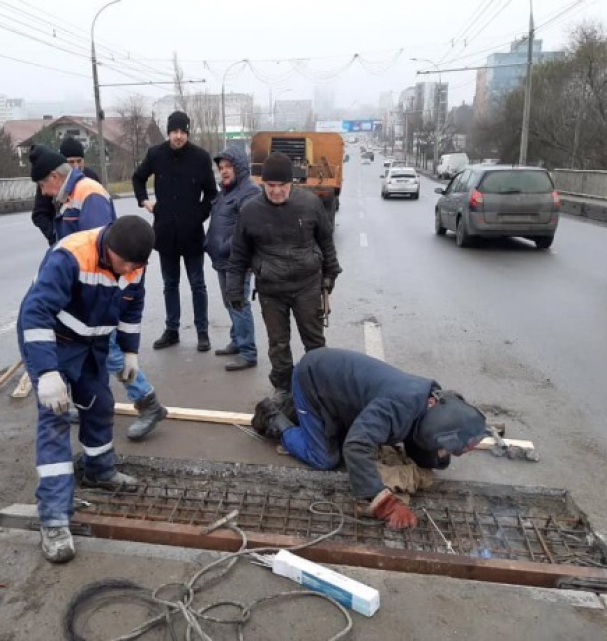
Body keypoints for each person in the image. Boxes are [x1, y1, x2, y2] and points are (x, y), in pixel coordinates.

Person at [17, 215, 156, 563]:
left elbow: (131, 308)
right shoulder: (70, 256)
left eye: (135, 266)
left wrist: (129, 350)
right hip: (53, 339)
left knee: (98, 403)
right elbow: (36, 314)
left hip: (92, 340)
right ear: (109, 247)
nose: (128, 271)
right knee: (55, 420)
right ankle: (53, 519)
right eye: (124, 263)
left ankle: (99, 469)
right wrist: (47, 372)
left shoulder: (134, 263)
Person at [251, 348, 489, 530]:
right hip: (312, 379)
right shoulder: (398, 407)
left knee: (342, 437)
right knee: (324, 457)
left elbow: (418, 444)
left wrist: (439, 455)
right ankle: (274, 419)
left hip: (339, 391)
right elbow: (356, 445)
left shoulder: (427, 402)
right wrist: (385, 503)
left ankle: (299, 413)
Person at [29, 144, 168, 440]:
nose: (43, 192)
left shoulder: (88, 194)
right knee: (100, 354)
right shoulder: (69, 195)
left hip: (98, 291)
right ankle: (91, 402)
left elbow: (105, 251)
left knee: (110, 350)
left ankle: (148, 403)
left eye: (43, 184)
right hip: (83, 290)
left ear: (55, 176)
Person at [226, 151, 341, 393]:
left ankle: (320, 389)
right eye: (271, 185)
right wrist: (234, 290)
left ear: (292, 183)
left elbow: (326, 241)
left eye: (282, 185)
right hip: (271, 291)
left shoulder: (310, 204)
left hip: (307, 287)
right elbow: (238, 255)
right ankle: (283, 390)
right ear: (262, 183)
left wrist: (330, 273)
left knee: (315, 343)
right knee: (278, 345)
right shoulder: (250, 211)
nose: (276, 191)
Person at [132, 111, 218, 352]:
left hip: (192, 234)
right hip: (165, 232)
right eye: (174, 131)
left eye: (183, 132)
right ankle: (172, 330)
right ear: (168, 132)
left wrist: (198, 216)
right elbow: (138, 178)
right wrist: (144, 202)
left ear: (187, 133)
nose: (178, 136)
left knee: (197, 284)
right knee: (170, 284)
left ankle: (202, 332)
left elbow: (211, 193)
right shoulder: (156, 154)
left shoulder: (200, 157)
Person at [204, 146, 261, 371]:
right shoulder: (226, 192)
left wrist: (227, 247)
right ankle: (237, 341)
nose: (224, 172)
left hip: (237, 261)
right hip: (222, 259)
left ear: (239, 167)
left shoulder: (249, 192)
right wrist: (209, 243)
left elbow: (245, 229)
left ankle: (248, 352)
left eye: (228, 167)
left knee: (239, 304)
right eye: (221, 168)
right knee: (231, 302)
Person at [31, 137, 101, 246]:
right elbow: (39, 214)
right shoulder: (49, 183)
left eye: (79, 161)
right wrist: (54, 235)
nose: (76, 166)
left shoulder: (91, 178)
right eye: (71, 162)